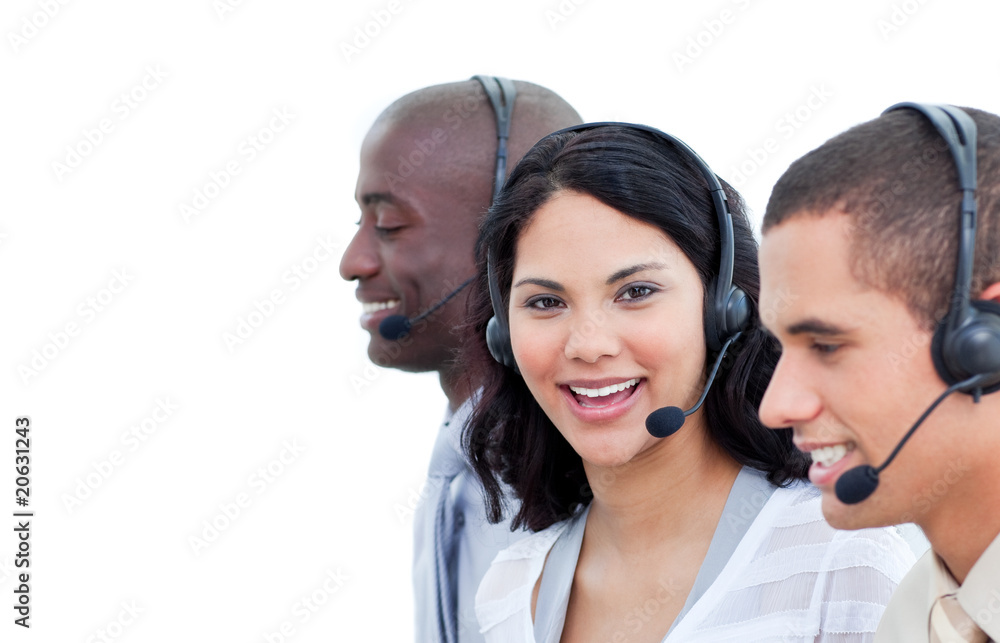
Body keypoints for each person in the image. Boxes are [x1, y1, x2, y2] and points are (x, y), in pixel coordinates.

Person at [462, 123, 916, 642]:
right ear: (503, 335)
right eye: (546, 302)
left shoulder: (841, 560)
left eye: (636, 292)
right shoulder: (511, 591)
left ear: (724, 309)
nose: (588, 345)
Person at [339, 76, 581, 643]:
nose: (353, 262)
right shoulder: (460, 456)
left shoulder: (574, 480)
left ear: (508, 238)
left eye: (389, 225)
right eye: (360, 224)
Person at [757, 103, 1000, 642]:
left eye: (826, 345)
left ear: (982, 344)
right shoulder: (908, 618)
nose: (775, 407)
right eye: (781, 347)